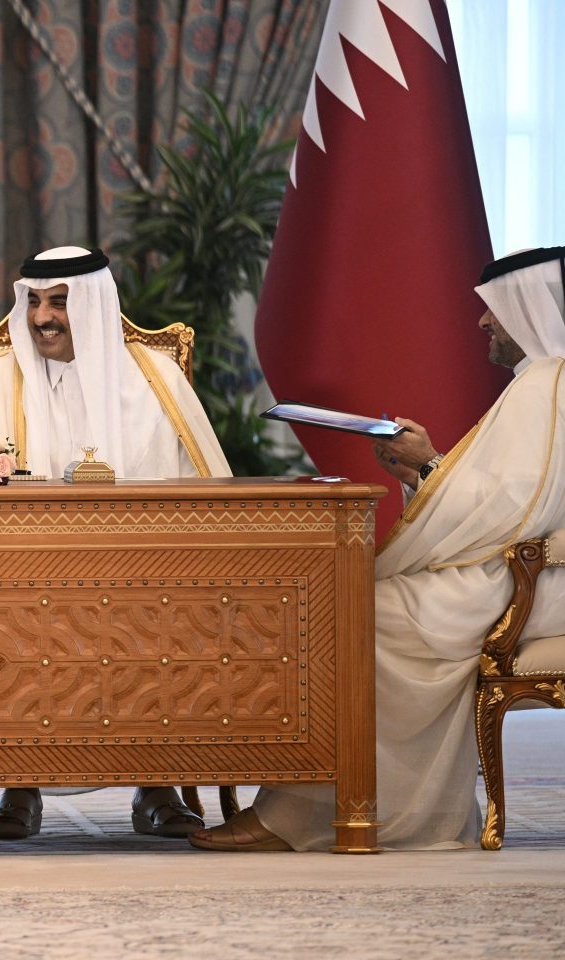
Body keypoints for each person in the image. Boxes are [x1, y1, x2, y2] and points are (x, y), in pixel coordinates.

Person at [192, 245, 565, 851]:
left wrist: (432, 463)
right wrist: (422, 471)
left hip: (511, 582)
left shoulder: (547, 384)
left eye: (492, 309)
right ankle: (311, 810)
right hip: (490, 569)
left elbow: (511, 513)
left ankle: (314, 819)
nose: (482, 323)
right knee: (346, 608)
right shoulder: (538, 384)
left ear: (525, 308)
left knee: (355, 619)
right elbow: (501, 499)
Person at [0, 245, 231, 840]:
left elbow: (203, 494)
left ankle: (155, 785)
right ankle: (18, 782)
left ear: (95, 306)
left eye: (59, 303)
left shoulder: (156, 383)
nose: (41, 318)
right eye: (34, 302)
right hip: (20, 573)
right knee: (6, 616)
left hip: (140, 572)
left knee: (160, 611)